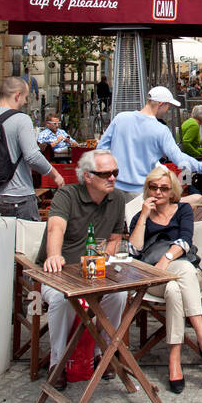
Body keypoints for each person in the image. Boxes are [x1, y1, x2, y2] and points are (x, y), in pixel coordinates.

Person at [39, 149, 130, 390]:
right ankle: (57, 362)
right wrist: (54, 255)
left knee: (119, 294)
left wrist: (106, 258)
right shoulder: (67, 195)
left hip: (94, 273)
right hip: (60, 271)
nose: (112, 178)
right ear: (87, 176)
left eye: (115, 173)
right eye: (106, 174)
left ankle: (102, 352)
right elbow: (55, 227)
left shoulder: (117, 198)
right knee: (60, 299)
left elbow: (115, 237)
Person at [128, 165, 202, 393]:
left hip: (181, 274)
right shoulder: (139, 216)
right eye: (153, 187)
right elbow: (134, 251)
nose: (158, 192)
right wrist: (143, 216)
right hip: (153, 280)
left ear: (172, 191)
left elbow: (185, 241)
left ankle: (174, 357)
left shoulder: (182, 210)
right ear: (147, 189)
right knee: (177, 279)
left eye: (164, 188)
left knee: (176, 284)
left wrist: (166, 260)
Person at [96, 86, 202, 206]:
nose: (168, 110)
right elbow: (180, 159)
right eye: (168, 106)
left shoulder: (120, 118)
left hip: (113, 187)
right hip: (140, 190)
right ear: (161, 104)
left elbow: (100, 150)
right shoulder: (160, 130)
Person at [0, 77, 63, 220]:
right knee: (27, 242)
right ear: (17, 95)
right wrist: (55, 174)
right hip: (18, 198)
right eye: (25, 97)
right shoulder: (21, 119)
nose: (25, 102)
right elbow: (32, 156)